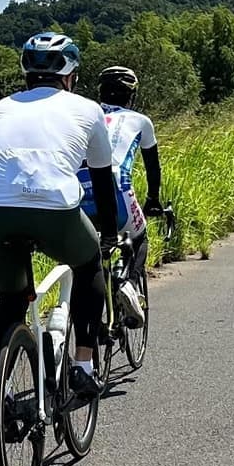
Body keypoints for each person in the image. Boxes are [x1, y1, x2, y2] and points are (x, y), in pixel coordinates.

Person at [0, 32, 120, 401]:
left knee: (10, 300)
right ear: (70, 75)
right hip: (55, 207)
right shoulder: (88, 109)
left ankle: (2, 391)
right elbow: (103, 180)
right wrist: (109, 234)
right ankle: (83, 366)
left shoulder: (0, 107)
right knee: (89, 265)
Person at [88, 65, 162, 324]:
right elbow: (153, 167)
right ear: (132, 96)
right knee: (139, 237)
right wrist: (153, 200)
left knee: (87, 256)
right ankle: (129, 284)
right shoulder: (141, 121)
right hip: (116, 189)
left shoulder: (86, 114)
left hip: (77, 191)